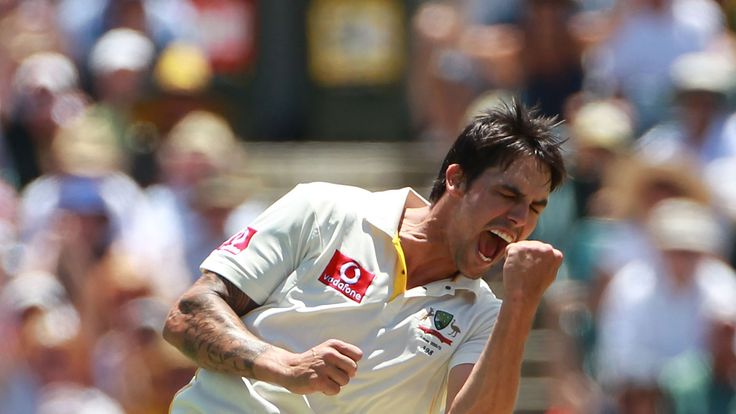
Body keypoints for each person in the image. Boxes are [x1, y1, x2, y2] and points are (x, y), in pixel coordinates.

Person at [163, 100, 567, 413]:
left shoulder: (484, 315)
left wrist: (520, 303)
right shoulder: (321, 209)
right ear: (456, 178)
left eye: (535, 208)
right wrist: (284, 366)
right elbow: (188, 313)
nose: (518, 219)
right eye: (508, 195)